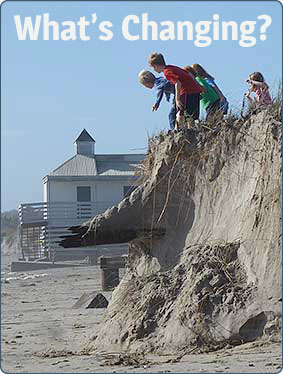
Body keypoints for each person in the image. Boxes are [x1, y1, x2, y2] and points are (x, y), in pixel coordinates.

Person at [148, 52, 204, 129]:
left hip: (186, 92)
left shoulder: (167, 72)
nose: (154, 69)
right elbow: (189, 74)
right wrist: (199, 86)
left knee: (180, 113)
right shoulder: (171, 67)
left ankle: (177, 131)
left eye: (153, 67)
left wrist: (177, 99)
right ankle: (192, 132)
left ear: (156, 65)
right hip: (195, 91)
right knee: (191, 116)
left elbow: (178, 83)